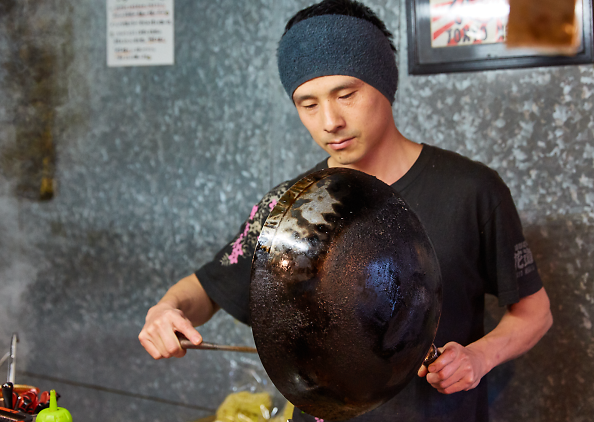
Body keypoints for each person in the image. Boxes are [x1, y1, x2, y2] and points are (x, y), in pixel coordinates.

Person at [138, 1, 553, 421]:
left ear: (384, 85)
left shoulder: (471, 190)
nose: (330, 121)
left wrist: (479, 358)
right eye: (308, 103)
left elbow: (534, 314)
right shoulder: (291, 207)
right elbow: (205, 290)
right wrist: (165, 310)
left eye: (346, 94)